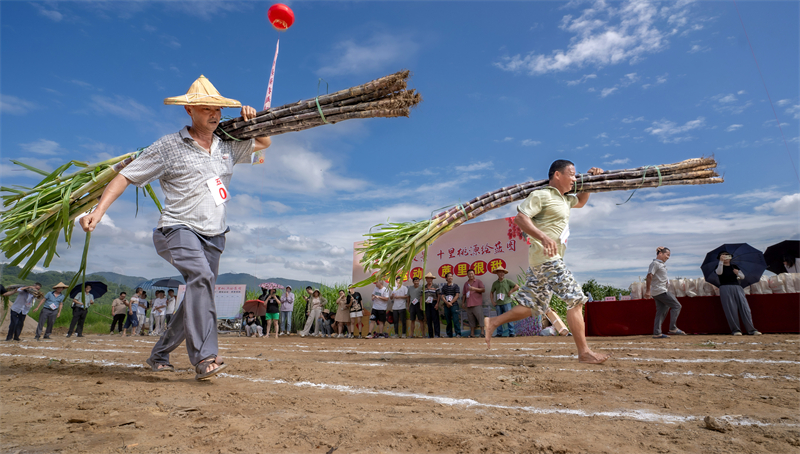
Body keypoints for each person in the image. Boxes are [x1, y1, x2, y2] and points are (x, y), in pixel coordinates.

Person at [80, 75, 271, 379]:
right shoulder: (168, 146)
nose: (214, 114)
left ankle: (160, 353)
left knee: (200, 291)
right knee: (201, 277)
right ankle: (205, 358)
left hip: (215, 235)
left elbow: (263, 144)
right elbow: (126, 176)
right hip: (177, 230)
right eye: (207, 108)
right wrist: (98, 211)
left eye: (218, 109)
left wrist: (255, 120)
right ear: (189, 110)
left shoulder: (226, 146)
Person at [484, 160, 610, 364]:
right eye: (572, 174)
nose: (574, 178)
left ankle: (493, 322)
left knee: (532, 306)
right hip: (547, 258)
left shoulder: (566, 199)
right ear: (557, 175)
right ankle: (584, 352)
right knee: (576, 299)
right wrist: (543, 237)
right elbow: (520, 219)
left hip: (543, 261)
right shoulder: (541, 195)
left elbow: (581, 201)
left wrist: (591, 180)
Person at [717, 252, 761, 336]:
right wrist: (721, 262)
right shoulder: (719, 266)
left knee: (745, 308)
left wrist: (737, 273)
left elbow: (743, 277)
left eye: (727, 255)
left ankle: (751, 330)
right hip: (725, 287)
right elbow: (719, 273)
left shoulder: (734, 266)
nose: (726, 257)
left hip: (737, 287)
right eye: (723, 256)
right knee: (731, 309)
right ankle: (736, 330)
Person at [644, 247, 685, 339]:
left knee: (661, 311)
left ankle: (657, 333)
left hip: (659, 291)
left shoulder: (660, 264)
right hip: (660, 291)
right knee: (677, 306)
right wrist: (647, 291)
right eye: (667, 255)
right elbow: (649, 275)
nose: (668, 257)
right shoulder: (655, 263)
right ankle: (673, 328)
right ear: (660, 254)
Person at [490, 267, 519, 338]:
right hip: (498, 303)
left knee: (509, 318)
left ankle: (512, 333)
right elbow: (491, 292)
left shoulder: (508, 281)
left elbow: (517, 286)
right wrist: (493, 301)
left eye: (502, 272)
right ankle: (499, 333)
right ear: (497, 273)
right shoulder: (495, 283)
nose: (501, 273)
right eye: (499, 272)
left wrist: (510, 292)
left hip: (507, 302)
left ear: (504, 273)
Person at [462, 269, 486, 338]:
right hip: (469, 304)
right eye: (469, 274)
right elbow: (464, 294)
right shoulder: (466, 284)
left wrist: (474, 288)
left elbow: (483, 290)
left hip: (477, 304)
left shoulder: (478, 281)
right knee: (471, 320)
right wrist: (463, 303)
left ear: (474, 274)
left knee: (480, 318)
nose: (470, 275)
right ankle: (472, 334)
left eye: (472, 273)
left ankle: (482, 333)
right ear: (467, 275)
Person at [440, 273, 461, 338]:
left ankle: (458, 334)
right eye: (448, 276)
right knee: (448, 321)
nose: (450, 277)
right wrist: (447, 303)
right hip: (446, 306)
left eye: (451, 276)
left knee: (455, 320)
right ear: (446, 278)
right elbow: (442, 296)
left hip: (454, 305)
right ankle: (449, 334)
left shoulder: (455, 286)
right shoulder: (444, 287)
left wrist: (451, 302)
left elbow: (457, 295)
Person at [423, 273, 441, 338]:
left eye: (430, 278)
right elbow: (422, 296)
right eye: (428, 278)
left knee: (435, 319)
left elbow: (439, 295)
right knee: (428, 319)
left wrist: (437, 304)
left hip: (434, 303)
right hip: (427, 304)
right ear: (426, 279)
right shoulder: (424, 287)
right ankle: (430, 335)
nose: (429, 279)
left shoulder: (435, 286)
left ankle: (437, 334)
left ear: (432, 279)